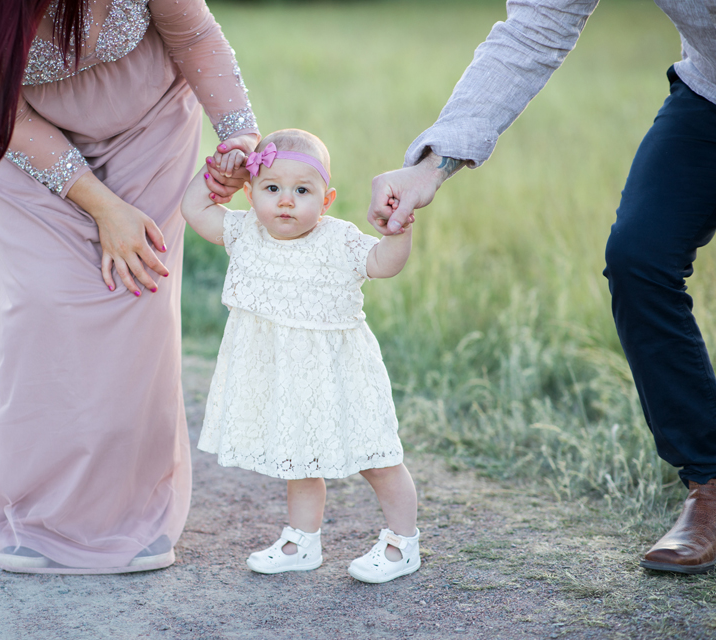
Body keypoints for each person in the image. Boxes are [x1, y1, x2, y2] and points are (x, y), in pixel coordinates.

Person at [0, 0, 259, 573]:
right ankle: (33, 511)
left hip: (149, 125)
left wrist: (241, 136)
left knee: (135, 297)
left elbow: (194, 35)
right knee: (45, 300)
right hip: (14, 136)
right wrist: (99, 205)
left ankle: (128, 512)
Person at [367, 1, 716, 574]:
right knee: (639, 257)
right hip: (709, 95)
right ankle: (708, 483)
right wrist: (431, 166)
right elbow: (535, 28)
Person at [181, 129, 420, 583]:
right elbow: (194, 208)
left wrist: (397, 232)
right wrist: (217, 170)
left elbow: (383, 264)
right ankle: (301, 541)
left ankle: (402, 541)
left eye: (302, 190)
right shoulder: (245, 233)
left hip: (340, 375)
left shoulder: (338, 240)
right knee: (297, 454)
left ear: (326, 200)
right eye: (272, 189)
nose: (286, 201)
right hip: (285, 377)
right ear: (250, 194)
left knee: (377, 456)